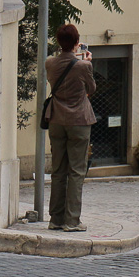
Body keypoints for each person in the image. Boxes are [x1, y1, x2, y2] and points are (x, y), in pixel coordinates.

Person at [45, 23, 97, 232]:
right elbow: (91, 88)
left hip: (56, 119)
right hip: (79, 121)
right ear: (77, 43)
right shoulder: (83, 66)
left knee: (58, 170)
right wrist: (87, 62)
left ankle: (55, 219)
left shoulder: (50, 63)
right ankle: (72, 220)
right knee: (76, 171)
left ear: (59, 42)